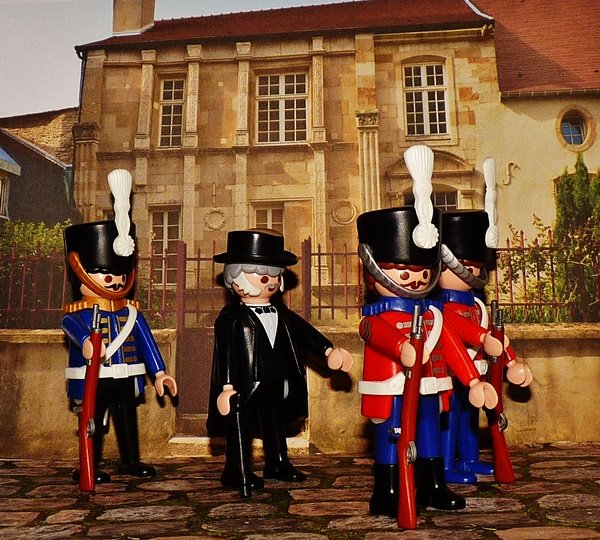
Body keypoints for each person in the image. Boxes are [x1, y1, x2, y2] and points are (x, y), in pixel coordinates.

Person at [207, 228, 352, 498]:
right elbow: (224, 353)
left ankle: (277, 462)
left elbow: (305, 332)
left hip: (277, 379)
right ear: (235, 276)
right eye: (263, 276)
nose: (270, 281)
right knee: (241, 424)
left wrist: (328, 350)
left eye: (274, 275)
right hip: (245, 383)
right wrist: (226, 387)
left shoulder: (281, 312)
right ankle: (236, 469)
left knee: (274, 421)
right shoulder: (230, 317)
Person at [62, 169, 177, 483]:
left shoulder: (131, 314)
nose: (115, 281)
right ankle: (89, 464)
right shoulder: (79, 313)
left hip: (127, 377)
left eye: (121, 275)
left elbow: (147, 344)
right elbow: (70, 326)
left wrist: (160, 373)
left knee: (127, 420)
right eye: (107, 275)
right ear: (80, 271)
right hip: (94, 377)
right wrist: (86, 341)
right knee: (93, 422)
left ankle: (131, 462)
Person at [438, 209, 532, 483]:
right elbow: (459, 328)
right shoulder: (440, 307)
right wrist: (482, 337)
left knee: (470, 416)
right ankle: (445, 464)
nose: (471, 273)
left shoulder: (477, 304)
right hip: (450, 371)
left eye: (474, 267)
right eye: (463, 267)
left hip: (476, 372)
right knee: (449, 418)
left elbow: (494, 334)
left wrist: (511, 361)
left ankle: (469, 458)